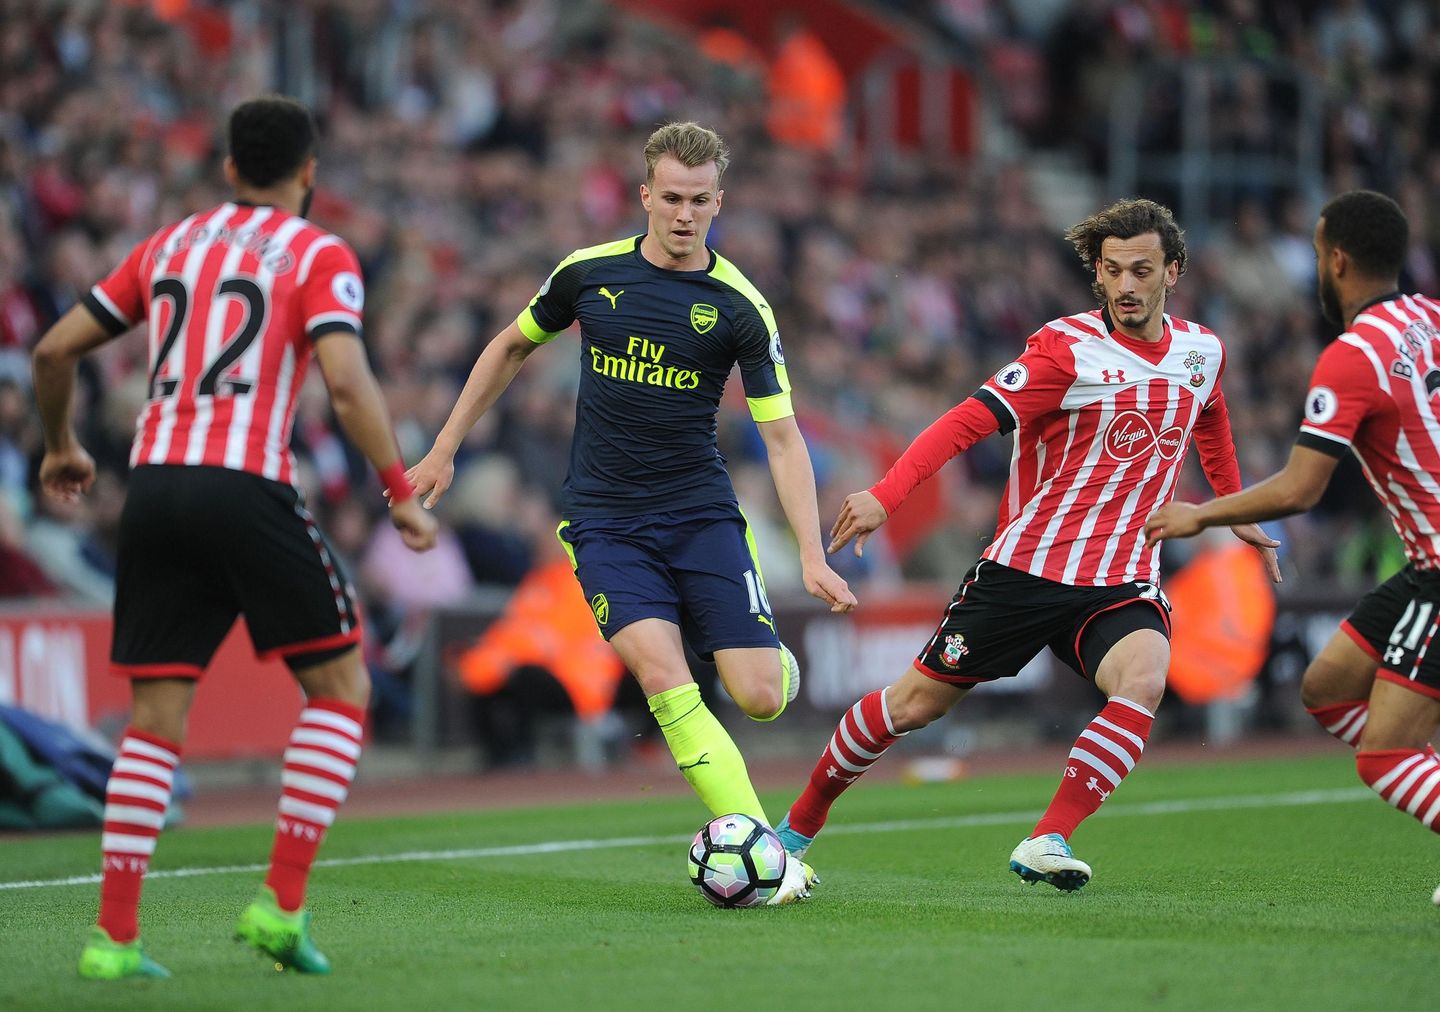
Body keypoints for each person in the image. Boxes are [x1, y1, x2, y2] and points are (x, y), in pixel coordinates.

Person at [31, 96, 438, 979]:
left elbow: (53, 352)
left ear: (226, 169)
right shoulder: (318, 252)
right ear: (309, 173)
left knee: (153, 723)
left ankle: (113, 939)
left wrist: (62, 445)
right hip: (244, 484)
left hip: (153, 490)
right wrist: (399, 492)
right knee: (340, 687)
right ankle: (280, 908)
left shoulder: (168, 246)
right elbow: (347, 381)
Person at [773, 198, 1281, 890]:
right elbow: (966, 421)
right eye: (1112, 271)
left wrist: (1231, 505)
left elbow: (1212, 420)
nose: (1126, 285)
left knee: (1145, 676)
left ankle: (1048, 838)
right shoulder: (1065, 350)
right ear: (1096, 277)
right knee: (914, 706)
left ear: (1174, 271)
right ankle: (798, 825)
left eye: (1141, 270)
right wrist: (886, 495)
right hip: (1026, 569)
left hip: (1122, 578)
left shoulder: (1202, 352)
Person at [407, 121, 855, 904]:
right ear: (645, 195)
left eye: (700, 201)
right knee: (662, 677)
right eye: (671, 198)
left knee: (756, 695)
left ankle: (770, 660)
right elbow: (509, 346)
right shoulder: (588, 275)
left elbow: (781, 439)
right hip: (605, 522)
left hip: (700, 515)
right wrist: (445, 446)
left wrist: (810, 555)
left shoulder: (741, 306)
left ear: (721, 201)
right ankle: (772, 863)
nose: (684, 214)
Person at [1145, 189, 1440, 907]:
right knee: (1327, 688)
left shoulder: (1352, 356)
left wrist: (1202, 515)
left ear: (1336, 260)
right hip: (1423, 565)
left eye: (1315, 251)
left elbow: (1302, 489)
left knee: (1384, 755)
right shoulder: (1431, 317)